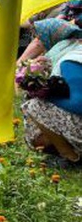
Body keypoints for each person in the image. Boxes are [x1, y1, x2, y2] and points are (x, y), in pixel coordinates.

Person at [18, 18, 82, 164]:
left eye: (41, 37)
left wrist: (45, 95)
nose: (38, 42)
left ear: (52, 37)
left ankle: (71, 157)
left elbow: (79, 103)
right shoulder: (74, 49)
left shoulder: (71, 59)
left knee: (35, 106)